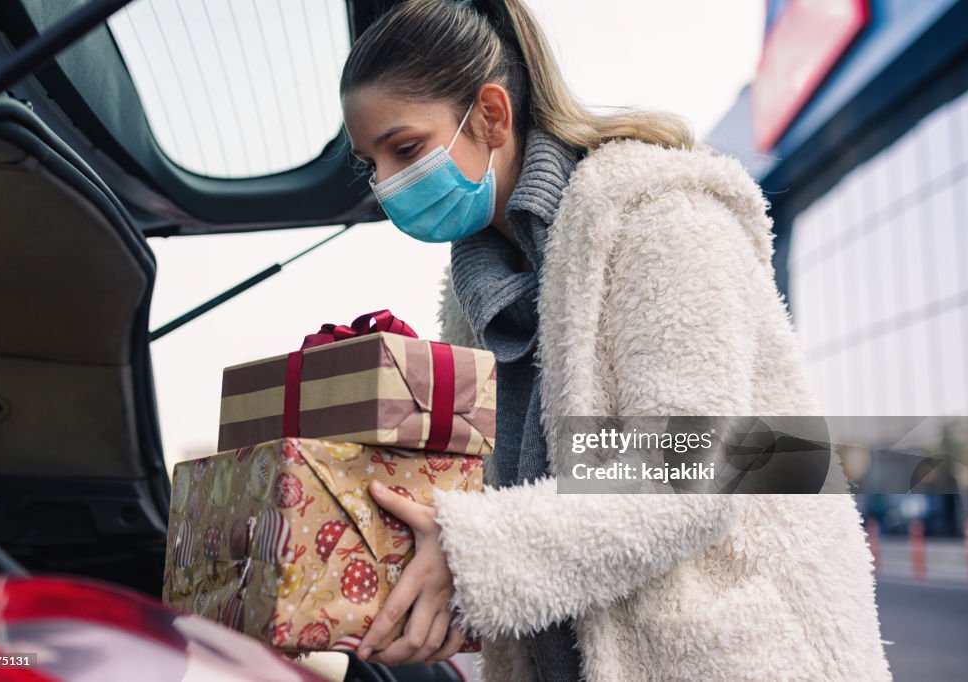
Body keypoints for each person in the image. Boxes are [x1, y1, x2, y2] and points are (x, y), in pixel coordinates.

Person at [339, 1, 893, 680]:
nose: (388, 185)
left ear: (490, 114)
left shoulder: (659, 215)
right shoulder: (476, 290)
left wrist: (469, 553)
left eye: (406, 149)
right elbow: (519, 495)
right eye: (372, 163)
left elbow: (693, 462)